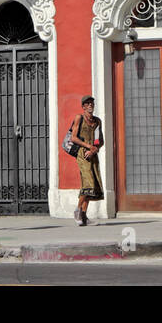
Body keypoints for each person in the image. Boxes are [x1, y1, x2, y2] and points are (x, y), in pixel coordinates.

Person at [68, 96, 104, 227]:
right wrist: (88, 147)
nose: (90, 105)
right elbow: (73, 138)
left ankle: (83, 215)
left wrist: (94, 149)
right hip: (82, 154)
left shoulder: (97, 121)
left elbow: (100, 140)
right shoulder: (79, 118)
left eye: (92, 103)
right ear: (83, 106)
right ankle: (78, 210)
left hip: (92, 154)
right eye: (87, 104)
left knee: (92, 184)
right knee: (88, 182)